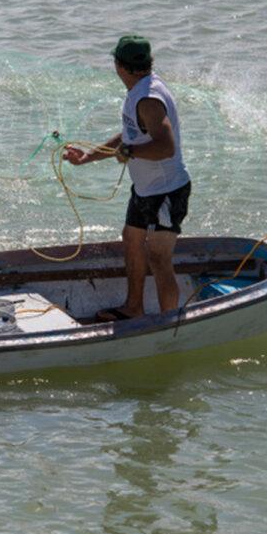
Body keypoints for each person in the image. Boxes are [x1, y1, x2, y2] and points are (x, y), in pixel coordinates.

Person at [63, 35, 192, 321]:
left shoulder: (147, 99)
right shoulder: (141, 90)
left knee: (158, 257)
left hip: (168, 192)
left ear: (119, 66)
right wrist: (87, 157)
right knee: (132, 239)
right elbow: (130, 136)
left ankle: (169, 324)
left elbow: (165, 146)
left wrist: (129, 150)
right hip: (145, 190)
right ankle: (134, 307)